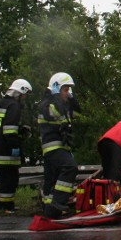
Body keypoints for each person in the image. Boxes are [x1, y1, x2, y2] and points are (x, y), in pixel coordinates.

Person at [0, 78, 33, 212]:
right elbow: (9, 131)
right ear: (19, 92)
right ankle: (6, 205)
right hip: (7, 151)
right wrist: (16, 146)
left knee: (1, 175)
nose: (24, 98)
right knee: (10, 179)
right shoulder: (13, 106)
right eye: (25, 95)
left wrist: (20, 129)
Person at [38, 72, 79, 219]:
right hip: (53, 147)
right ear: (56, 88)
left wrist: (70, 98)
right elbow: (56, 112)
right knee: (70, 167)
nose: (67, 94)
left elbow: (77, 113)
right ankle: (58, 204)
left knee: (52, 180)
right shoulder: (48, 104)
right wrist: (56, 96)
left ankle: (50, 210)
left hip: (60, 147)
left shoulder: (60, 104)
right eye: (65, 89)